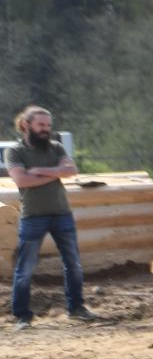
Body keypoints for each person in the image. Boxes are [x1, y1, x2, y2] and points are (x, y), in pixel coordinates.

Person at [7, 106, 96, 328]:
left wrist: (39, 170)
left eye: (48, 125)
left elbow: (71, 170)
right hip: (33, 216)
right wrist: (54, 172)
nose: (46, 129)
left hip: (61, 213)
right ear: (26, 125)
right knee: (25, 269)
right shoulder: (15, 152)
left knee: (73, 264)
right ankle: (22, 316)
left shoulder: (55, 147)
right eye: (41, 125)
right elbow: (22, 181)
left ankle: (76, 307)